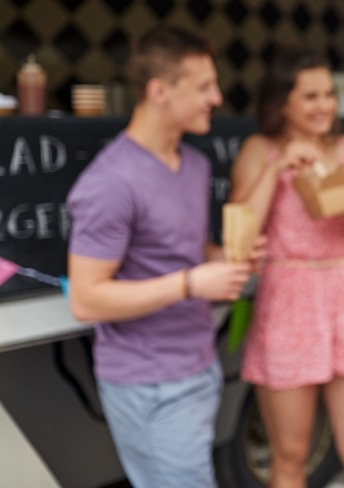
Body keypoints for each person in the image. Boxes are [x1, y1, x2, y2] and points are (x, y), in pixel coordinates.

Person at [67, 25, 259, 488]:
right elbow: (87, 300)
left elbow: (185, 251)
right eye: (203, 87)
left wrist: (226, 256)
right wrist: (193, 283)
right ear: (158, 91)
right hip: (149, 382)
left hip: (198, 363)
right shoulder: (110, 182)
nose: (216, 97)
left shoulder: (194, 164)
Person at [228, 45, 344, 488]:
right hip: (288, 300)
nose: (325, 106)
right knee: (291, 455)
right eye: (311, 96)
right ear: (283, 102)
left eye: (329, 95)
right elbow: (239, 231)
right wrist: (278, 168)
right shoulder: (260, 149)